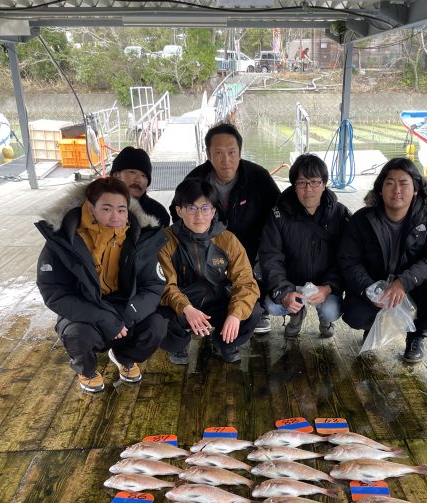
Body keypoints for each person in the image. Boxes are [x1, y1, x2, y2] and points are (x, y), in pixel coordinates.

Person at [36, 176, 168, 394]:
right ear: (91, 207)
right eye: (107, 209)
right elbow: (54, 292)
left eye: (121, 209)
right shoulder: (63, 240)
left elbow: (153, 285)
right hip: (86, 307)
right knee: (78, 334)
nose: (116, 216)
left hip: (125, 305)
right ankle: (86, 371)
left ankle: (124, 357)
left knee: (157, 326)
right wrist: (102, 317)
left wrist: (128, 315)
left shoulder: (140, 237)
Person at [338, 157, 427, 362]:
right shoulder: (362, 219)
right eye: (389, 183)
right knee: (355, 314)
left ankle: (417, 336)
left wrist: (404, 282)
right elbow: (348, 260)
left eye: (404, 183)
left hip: (413, 284)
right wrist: (370, 288)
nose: (396, 190)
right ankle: (371, 327)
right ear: (380, 190)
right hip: (375, 283)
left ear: (416, 189)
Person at [181, 123, 280, 334]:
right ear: (208, 154)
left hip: (251, 243)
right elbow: (178, 212)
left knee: (262, 261)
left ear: (240, 152)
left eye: (231, 152)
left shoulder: (258, 177)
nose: (226, 159)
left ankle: (258, 308)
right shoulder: (196, 179)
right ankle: (205, 309)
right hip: (209, 244)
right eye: (218, 152)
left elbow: (278, 211)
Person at [158, 178, 261, 365]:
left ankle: (226, 342)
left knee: (252, 310)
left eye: (205, 208)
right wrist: (186, 308)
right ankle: (178, 344)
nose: (199, 215)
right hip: (182, 305)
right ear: (179, 211)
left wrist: (235, 314)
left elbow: (246, 282)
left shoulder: (228, 240)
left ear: (213, 211)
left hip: (217, 300)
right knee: (156, 318)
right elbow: (165, 286)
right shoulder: (165, 241)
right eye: (191, 208)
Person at [259, 153, 350, 339]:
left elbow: (347, 257)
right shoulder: (278, 215)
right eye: (302, 183)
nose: (308, 189)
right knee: (273, 305)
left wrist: (329, 287)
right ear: (294, 186)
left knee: (331, 310)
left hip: (324, 284)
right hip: (292, 283)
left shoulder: (340, 214)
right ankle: (296, 314)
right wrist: (285, 292)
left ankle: (325, 319)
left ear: (324, 184)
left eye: (314, 182)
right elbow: (270, 256)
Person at [111, 146, 170, 228]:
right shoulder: (97, 203)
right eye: (132, 172)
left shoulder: (159, 214)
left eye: (144, 176)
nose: (138, 180)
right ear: (116, 175)